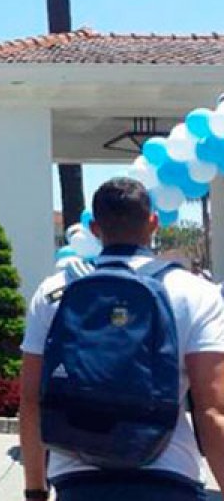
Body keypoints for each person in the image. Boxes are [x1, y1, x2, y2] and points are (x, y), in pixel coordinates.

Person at [20, 178, 224, 501]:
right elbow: (212, 410)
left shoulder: (53, 293)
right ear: (153, 223)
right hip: (168, 476)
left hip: (77, 480)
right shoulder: (196, 293)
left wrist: (34, 490)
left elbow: (31, 401)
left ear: (95, 228)